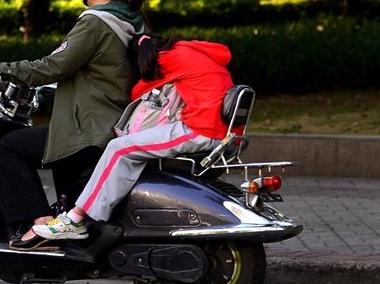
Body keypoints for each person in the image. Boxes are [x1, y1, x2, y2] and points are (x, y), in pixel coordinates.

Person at [0, 0, 150, 250]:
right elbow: (96, 75)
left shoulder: (96, 23)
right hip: (113, 124)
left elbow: (53, 65)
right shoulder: (133, 22)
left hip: (88, 132)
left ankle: (42, 224)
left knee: (9, 147)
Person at [32, 33, 236, 241]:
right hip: (220, 129)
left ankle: (75, 219)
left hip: (203, 130)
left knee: (119, 147)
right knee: (128, 148)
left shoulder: (167, 59)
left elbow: (137, 91)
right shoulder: (189, 51)